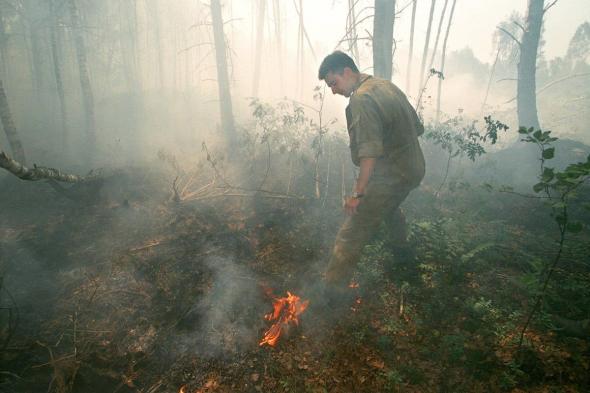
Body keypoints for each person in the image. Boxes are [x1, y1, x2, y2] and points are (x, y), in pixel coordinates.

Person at [318, 51, 425, 297]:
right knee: (390, 208)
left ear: (347, 71)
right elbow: (416, 129)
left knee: (351, 232)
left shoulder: (362, 99)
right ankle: (404, 260)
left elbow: (369, 154)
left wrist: (358, 193)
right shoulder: (386, 86)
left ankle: (331, 295)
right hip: (414, 168)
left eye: (333, 83)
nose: (333, 90)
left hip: (394, 175)